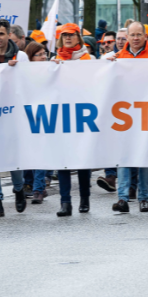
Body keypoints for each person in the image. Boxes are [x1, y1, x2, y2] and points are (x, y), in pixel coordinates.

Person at [108, 22, 148, 213]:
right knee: (124, 157)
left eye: (140, 34)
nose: (136, 38)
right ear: (127, 37)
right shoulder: (118, 57)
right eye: (133, 35)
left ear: (146, 37)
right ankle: (123, 198)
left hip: (147, 113)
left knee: (145, 158)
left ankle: (144, 198)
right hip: (124, 114)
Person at [0, 20, 29, 217]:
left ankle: (18, 189)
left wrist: (16, 71)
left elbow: (30, 83)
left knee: (13, 158)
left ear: (9, 34)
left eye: (1, 34)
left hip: (13, 116)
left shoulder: (21, 57)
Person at [51, 23, 94, 215]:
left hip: (83, 114)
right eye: (64, 35)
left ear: (78, 37)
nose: (67, 38)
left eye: (71, 35)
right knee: (63, 160)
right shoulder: (55, 59)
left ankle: (85, 199)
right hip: (62, 115)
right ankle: (65, 202)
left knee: (83, 160)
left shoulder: (89, 59)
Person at [23, 41, 52, 204]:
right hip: (28, 115)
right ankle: (34, 185)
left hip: (46, 115)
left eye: (44, 54)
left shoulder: (50, 70)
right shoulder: (24, 74)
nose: (43, 57)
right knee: (31, 153)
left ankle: (38, 189)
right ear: (30, 57)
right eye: (39, 54)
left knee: (41, 151)